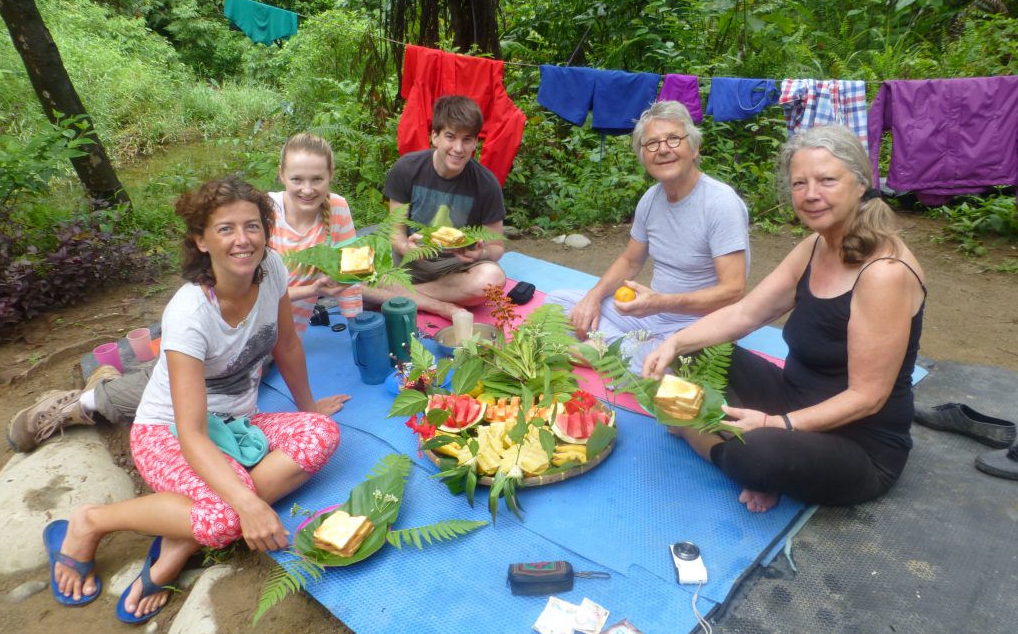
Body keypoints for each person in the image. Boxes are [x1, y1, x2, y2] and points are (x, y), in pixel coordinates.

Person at [44, 177, 342, 622]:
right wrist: (249, 506)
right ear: (200, 240)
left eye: (253, 226)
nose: (243, 240)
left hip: (237, 425)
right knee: (226, 516)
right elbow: (191, 433)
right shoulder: (189, 313)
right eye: (225, 229)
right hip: (168, 434)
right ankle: (94, 521)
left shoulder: (274, 268)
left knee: (322, 433)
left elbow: (287, 345)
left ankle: (181, 536)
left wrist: (307, 407)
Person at [7, 133, 358, 452]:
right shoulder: (255, 214)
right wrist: (312, 288)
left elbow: (352, 269)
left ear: (331, 176)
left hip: (265, 335)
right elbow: (236, 283)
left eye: (317, 179)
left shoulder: (327, 215)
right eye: (298, 178)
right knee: (196, 385)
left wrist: (354, 318)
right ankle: (83, 403)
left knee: (227, 375)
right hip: (225, 327)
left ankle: (119, 379)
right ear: (281, 174)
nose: (308, 188)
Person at [642, 125, 926, 513]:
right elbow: (746, 312)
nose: (811, 195)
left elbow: (867, 398)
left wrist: (777, 427)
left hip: (859, 444)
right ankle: (760, 455)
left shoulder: (884, 273)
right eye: (799, 183)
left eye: (827, 180)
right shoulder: (815, 245)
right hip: (791, 398)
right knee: (695, 347)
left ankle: (713, 441)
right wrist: (673, 343)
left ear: (861, 184)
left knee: (756, 455)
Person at [545, 100, 749, 369]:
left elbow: (733, 291)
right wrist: (592, 299)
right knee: (556, 302)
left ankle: (607, 348)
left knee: (669, 361)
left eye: (674, 139)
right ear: (643, 156)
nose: (663, 149)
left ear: (694, 147)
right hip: (653, 315)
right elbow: (631, 261)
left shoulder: (721, 202)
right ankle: (613, 348)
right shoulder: (651, 200)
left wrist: (660, 302)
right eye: (651, 143)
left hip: (700, 324)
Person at [363, 94, 506, 319]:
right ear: (435, 137)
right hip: (409, 263)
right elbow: (396, 231)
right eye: (450, 136)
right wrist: (406, 248)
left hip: (453, 269)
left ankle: (392, 295)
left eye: (467, 139)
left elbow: (497, 246)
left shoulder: (486, 184)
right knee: (350, 263)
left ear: (475, 143)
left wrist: (481, 253)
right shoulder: (407, 168)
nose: (458, 148)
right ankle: (436, 303)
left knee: (492, 280)